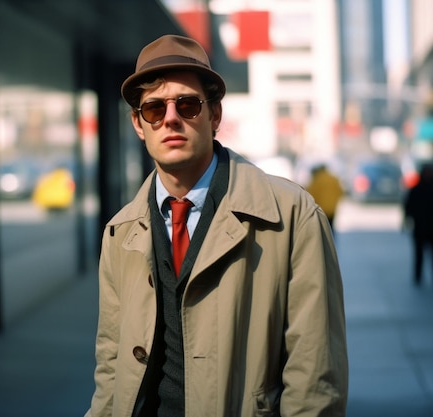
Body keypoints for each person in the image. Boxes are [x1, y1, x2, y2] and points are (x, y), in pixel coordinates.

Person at [85, 35, 348, 417]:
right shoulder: (120, 232)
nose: (170, 118)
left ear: (215, 116)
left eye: (188, 105)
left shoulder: (291, 216)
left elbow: (315, 379)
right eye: (154, 109)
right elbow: (110, 366)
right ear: (139, 125)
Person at [403, 163, 433, 289]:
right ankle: (418, 277)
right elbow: (408, 206)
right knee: (419, 255)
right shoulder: (417, 189)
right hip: (420, 228)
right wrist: (406, 220)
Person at [306, 163, 345, 233]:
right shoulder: (334, 178)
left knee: (322, 228)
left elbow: (310, 194)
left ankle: (324, 242)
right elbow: (340, 192)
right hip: (332, 208)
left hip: (321, 208)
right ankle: (331, 241)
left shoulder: (317, 179)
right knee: (331, 226)